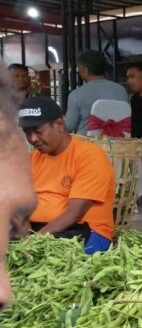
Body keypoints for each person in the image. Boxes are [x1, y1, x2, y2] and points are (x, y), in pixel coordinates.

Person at [0, 66, 63, 328]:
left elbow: (79, 214)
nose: (6, 293)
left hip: (79, 234)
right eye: (30, 133)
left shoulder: (88, 156)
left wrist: (37, 236)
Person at [18, 95, 115, 254]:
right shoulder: (33, 159)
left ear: (59, 125)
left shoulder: (90, 156)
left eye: (38, 131)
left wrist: (34, 241)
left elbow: (74, 214)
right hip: (40, 229)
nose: (33, 139)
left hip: (83, 229)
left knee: (58, 260)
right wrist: (24, 233)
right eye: (27, 133)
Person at [64, 49, 129, 135]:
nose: (78, 72)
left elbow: (68, 126)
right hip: (117, 145)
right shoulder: (121, 90)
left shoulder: (76, 95)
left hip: (88, 146)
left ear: (85, 70)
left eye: (79, 69)